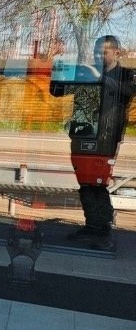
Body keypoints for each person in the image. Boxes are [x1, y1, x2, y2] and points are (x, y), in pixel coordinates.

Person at [50, 35, 135, 250]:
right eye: (96, 52)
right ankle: (93, 225)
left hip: (105, 136)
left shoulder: (126, 74)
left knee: (98, 182)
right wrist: (59, 72)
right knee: (85, 183)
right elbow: (57, 91)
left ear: (117, 52)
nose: (99, 56)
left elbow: (128, 92)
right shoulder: (86, 71)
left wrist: (100, 78)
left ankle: (102, 227)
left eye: (103, 52)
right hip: (82, 132)